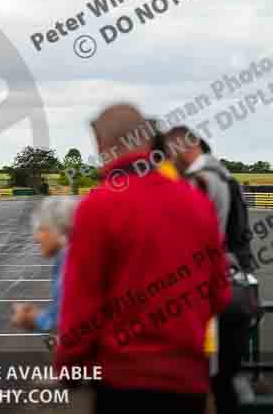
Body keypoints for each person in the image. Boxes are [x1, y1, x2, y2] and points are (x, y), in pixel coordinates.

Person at [55, 103, 231, 414]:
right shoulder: (196, 201)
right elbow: (219, 293)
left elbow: (82, 305)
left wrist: (68, 366)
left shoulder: (98, 207)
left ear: (102, 145)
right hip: (187, 381)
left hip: (123, 382)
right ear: (150, 143)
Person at [164, 125, 256, 414]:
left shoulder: (202, 180)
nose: (169, 161)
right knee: (225, 379)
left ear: (183, 148)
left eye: (169, 153)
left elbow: (201, 239)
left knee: (209, 380)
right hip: (237, 282)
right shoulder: (224, 175)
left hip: (213, 288)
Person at [12, 197, 78, 335]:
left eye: (41, 229)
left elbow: (68, 323)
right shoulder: (69, 257)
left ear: (58, 228)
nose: (36, 237)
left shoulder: (72, 264)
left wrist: (32, 320)